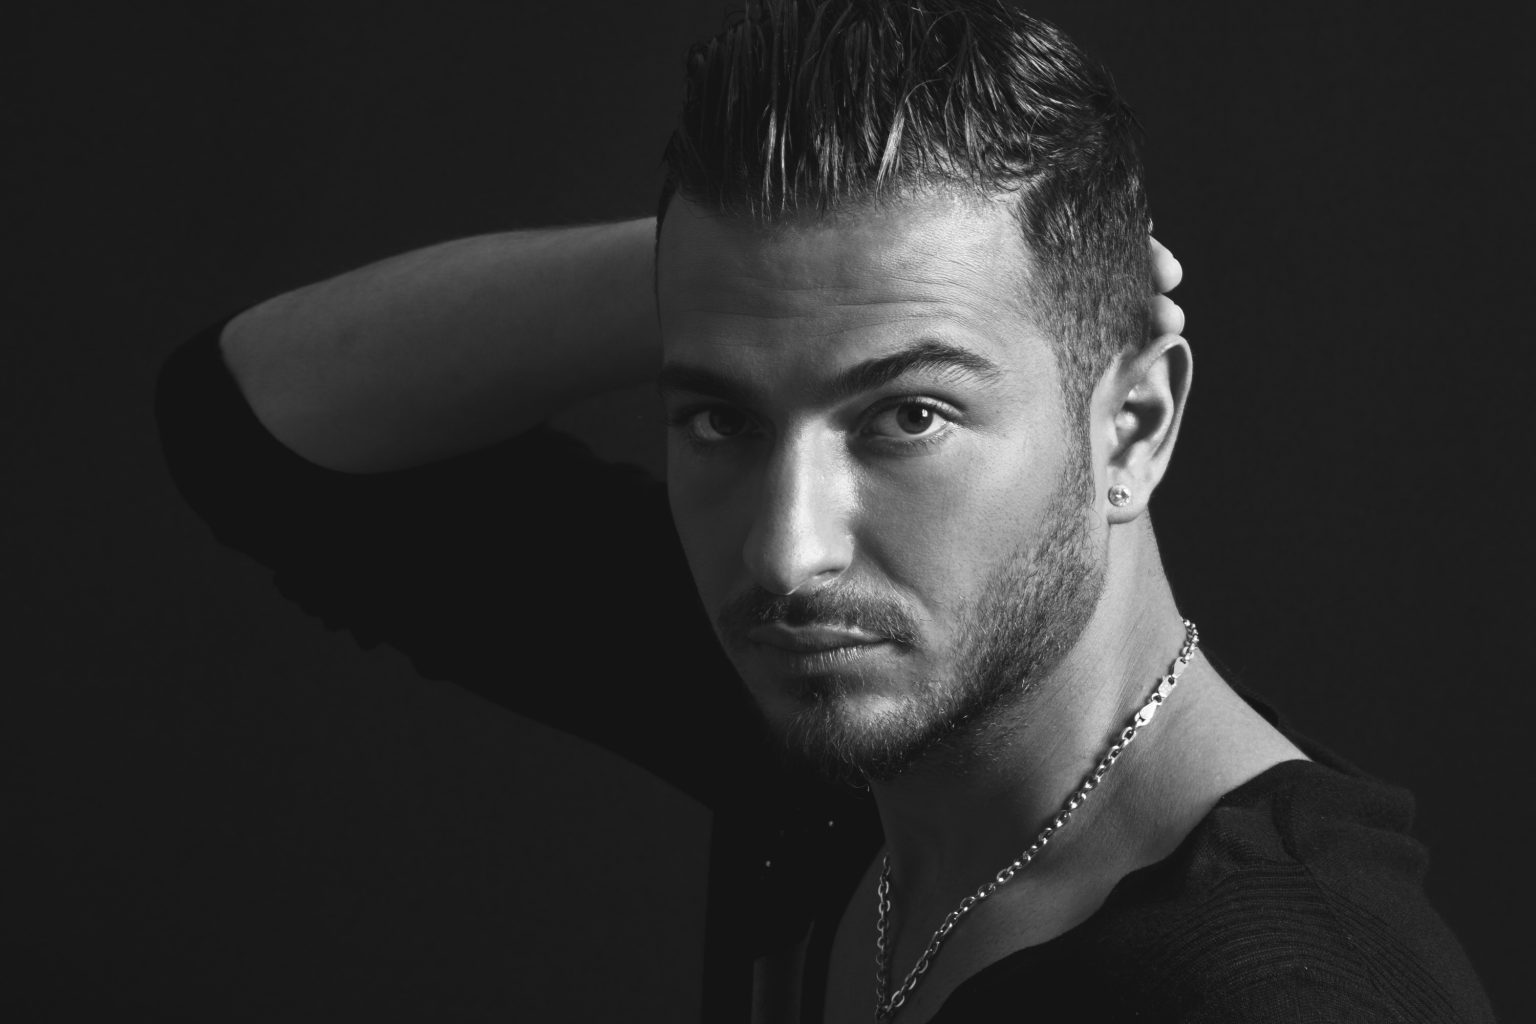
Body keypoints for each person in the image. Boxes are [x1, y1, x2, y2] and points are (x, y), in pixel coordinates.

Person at [155, 1, 1495, 1021]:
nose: (787, 550)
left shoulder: (1287, 988)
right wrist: (727, 278)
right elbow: (252, 434)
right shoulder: (845, 723)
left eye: (907, 416)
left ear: (1132, 426)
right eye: (720, 417)